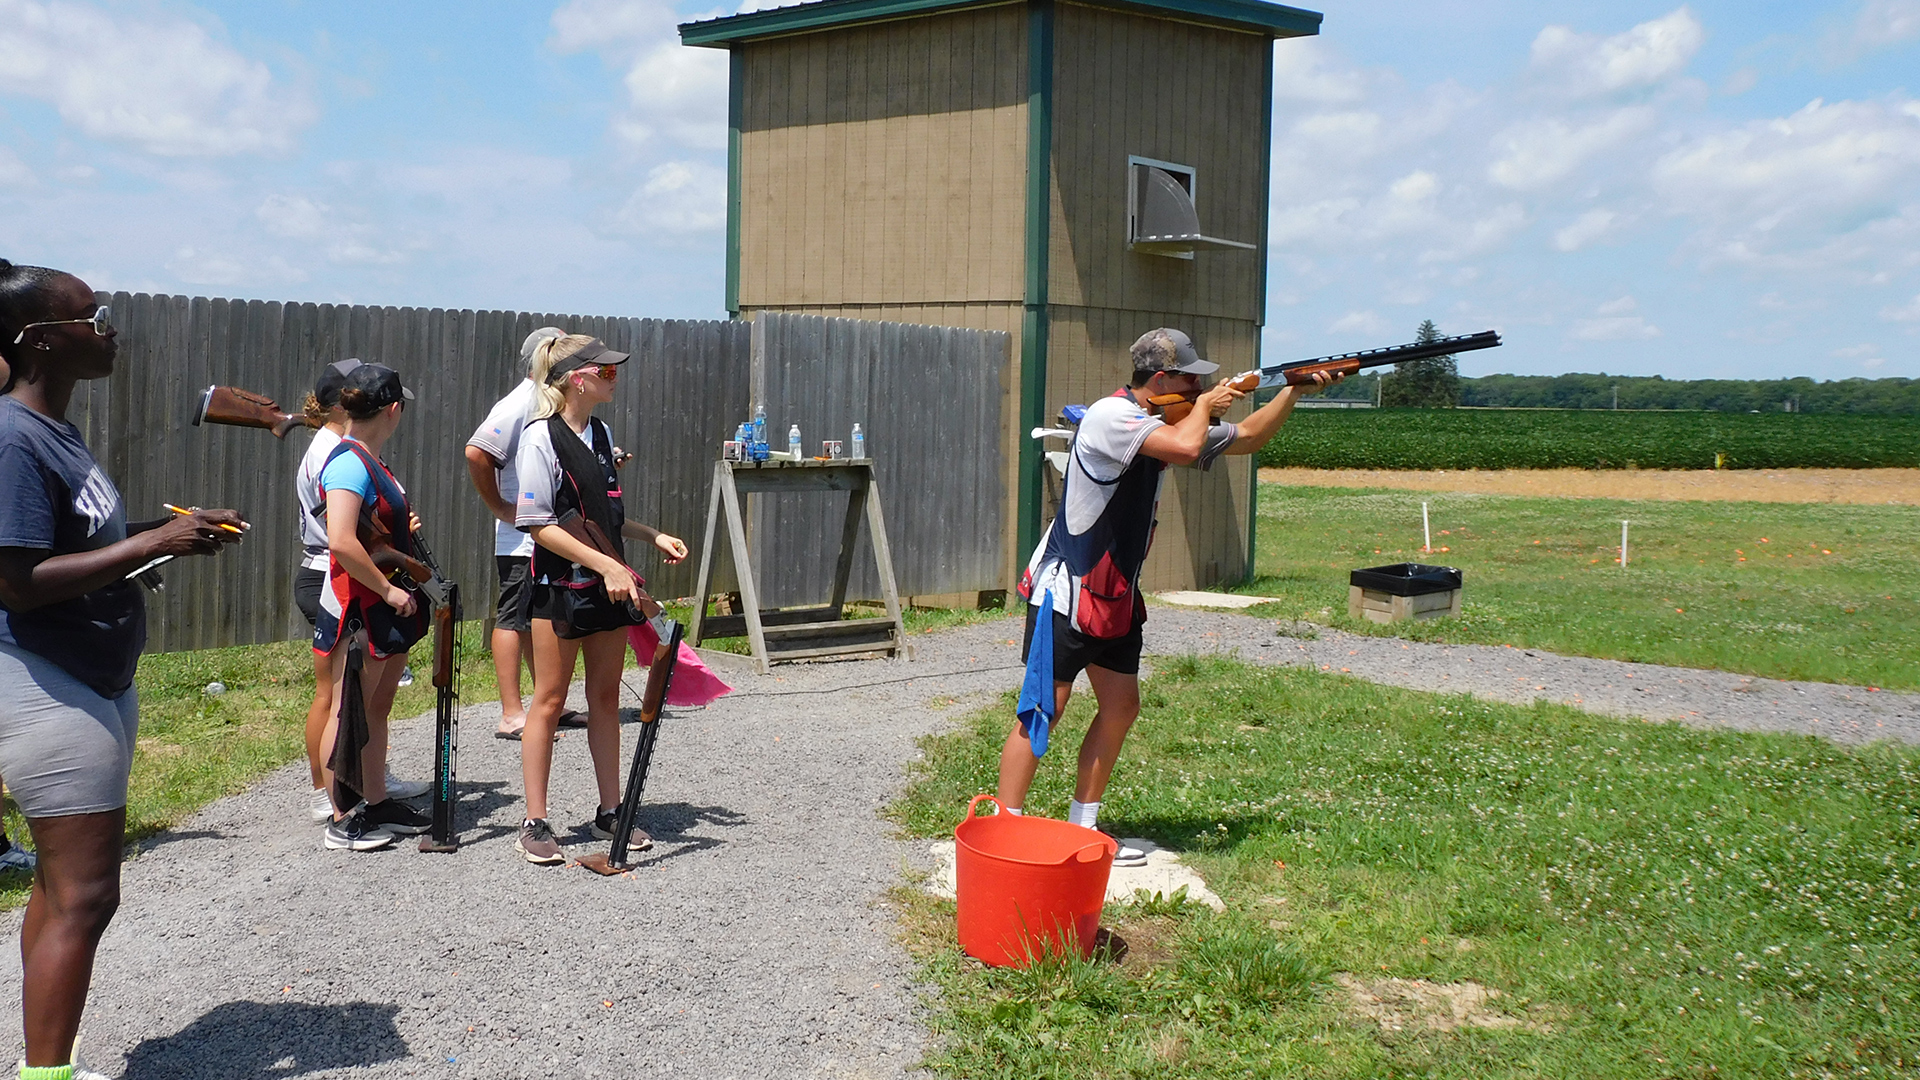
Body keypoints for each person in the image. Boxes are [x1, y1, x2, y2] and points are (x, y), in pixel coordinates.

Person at [0, 258, 246, 1079]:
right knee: (88, 893)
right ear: (39, 339)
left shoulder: (53, 430)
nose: (109, 329)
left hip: (91, 677)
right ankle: (45, 1077)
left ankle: (46, 1063)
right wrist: (152, 544)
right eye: (92, 316)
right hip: (44, 678)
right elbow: (17, 584)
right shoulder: (11, 438)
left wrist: (168, 527)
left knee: (61, 887)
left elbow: (80, 547)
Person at [996, 328, 1341, 864]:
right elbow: (1184, 448)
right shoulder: (1114, 417)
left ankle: (1083, 825)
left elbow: (1248, 437)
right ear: (1162, 379)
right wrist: (1205, 405)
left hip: (1116, 593)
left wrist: (1291, 390)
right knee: (1045, 708)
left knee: (1121, 706)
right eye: (1191, 376)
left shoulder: (1166, 417)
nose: (1200, 383)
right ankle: (1005, 829)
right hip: (1071, 588)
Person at [511, 334, 687, 865]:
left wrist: (648, 535)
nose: (614, 378)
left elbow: (603, 518)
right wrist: (607, 565)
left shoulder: (603, 433)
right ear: (576, 378)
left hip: (608, 590)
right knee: (548, 701)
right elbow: (538, 524)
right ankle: (535, 820)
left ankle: (611, 810)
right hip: (558, 590)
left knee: (606, 700)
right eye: (605, 372)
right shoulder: (539, 438)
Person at [311, 362, 434, 851]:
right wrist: (387, 591)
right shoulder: (348, 462)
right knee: (347, 712)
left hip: (381, 603)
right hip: (359, 603)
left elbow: (366, 528)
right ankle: (342, 817)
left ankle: (376, 800)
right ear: (393, 410)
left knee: (376, 709)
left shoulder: (368, 460)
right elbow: (340, 541)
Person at [465, 327, 586, 740]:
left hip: (546, 534)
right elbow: (477, 450)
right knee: (513, 620)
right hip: (521, 539)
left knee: (539, 619)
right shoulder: (521, 402)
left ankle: (543, 704)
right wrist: (500, 506)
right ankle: (511, 713)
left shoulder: (547, 401)